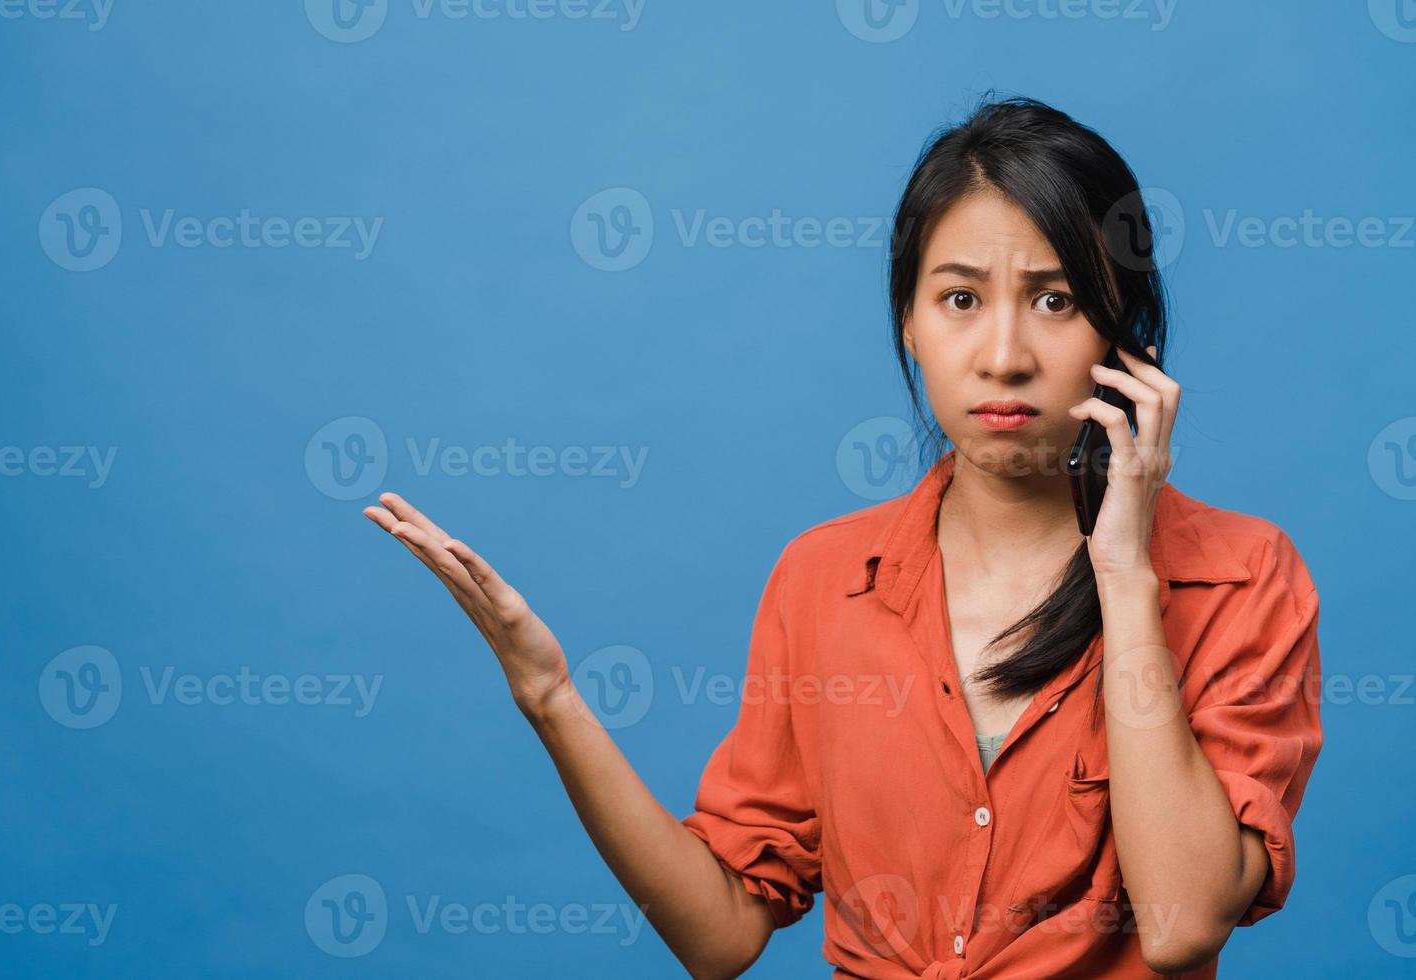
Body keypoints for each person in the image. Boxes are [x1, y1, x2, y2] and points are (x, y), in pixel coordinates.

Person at [362, 95, 1323, 978]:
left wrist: (1123, 571)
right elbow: (722, 931)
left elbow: (1182, 921)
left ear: (1124, 332)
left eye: (1055, 298)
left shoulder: (1240, 578)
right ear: (908, 322)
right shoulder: (826, 579)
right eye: (959, 299)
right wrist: (551, 697)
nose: (1002, 354)